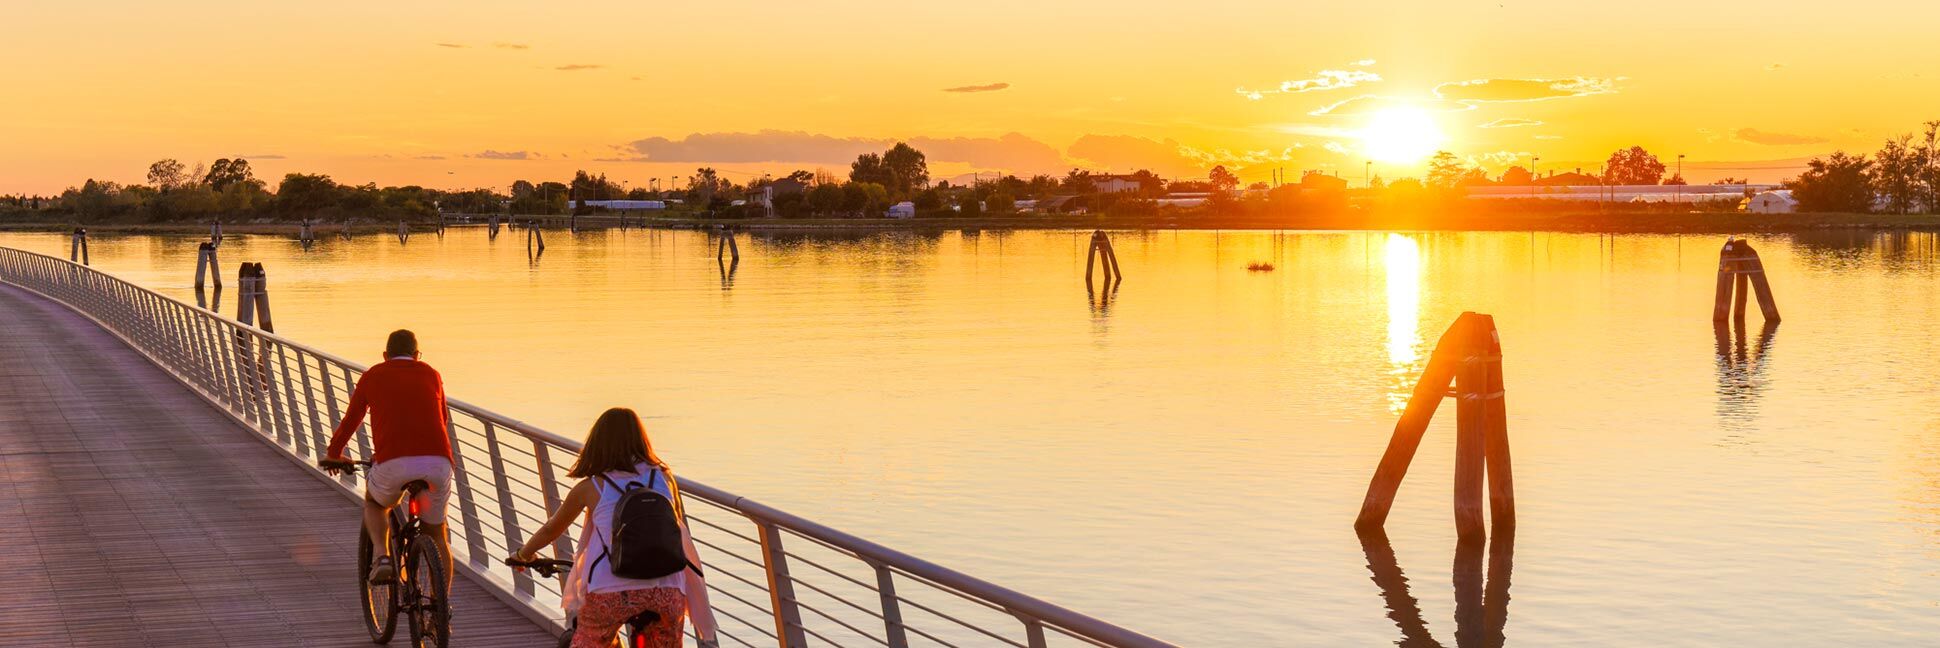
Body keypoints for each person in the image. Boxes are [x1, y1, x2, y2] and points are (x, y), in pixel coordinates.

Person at [512, 408, 719, 648]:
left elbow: (551, 530)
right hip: (667, 589)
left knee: (589, 641)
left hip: (610, 591)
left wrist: (523, 555)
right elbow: (677, 530)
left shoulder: (591, 487)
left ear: (597, 444)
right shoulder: (665, 478)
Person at [321, 329, 454, 586]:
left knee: (376, 504)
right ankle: (440, 613)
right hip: (438, 462)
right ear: (416, 355)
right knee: (437, 533)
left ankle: (382, 557)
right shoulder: (432, 374)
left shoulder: (373, 375)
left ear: (385, 355)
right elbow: (443, 419)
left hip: (393, 463)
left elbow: (352, 420)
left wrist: (334, 453)